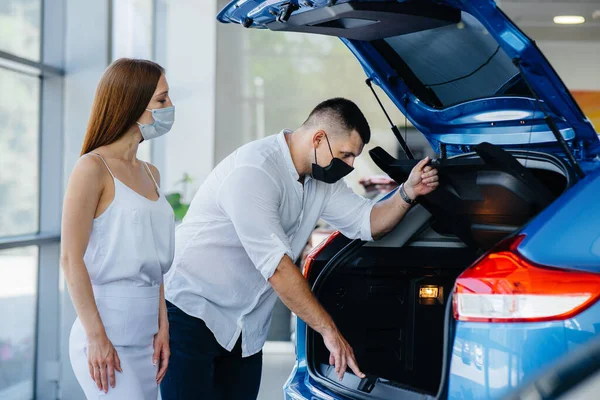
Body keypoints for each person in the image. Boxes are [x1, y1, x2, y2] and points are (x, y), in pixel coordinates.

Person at [160, 97, 439, 399]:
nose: (349, 166)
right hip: (192, 313)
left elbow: (368, 222)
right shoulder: (255, 171)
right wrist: (329, 332)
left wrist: (408, 192)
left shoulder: (320, 179)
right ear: (318, 138)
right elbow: (278, 269)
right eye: (345, 155)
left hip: (245, 327)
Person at [61, 58, 175, 399]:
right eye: (161, 100)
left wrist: (163, 326)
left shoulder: (151, 173)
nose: (170, 107)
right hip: (104, 340)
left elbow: (152, 261)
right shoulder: (91, 168)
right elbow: (70, 259)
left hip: (147, 340)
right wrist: (96, 338)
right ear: (132, 103)